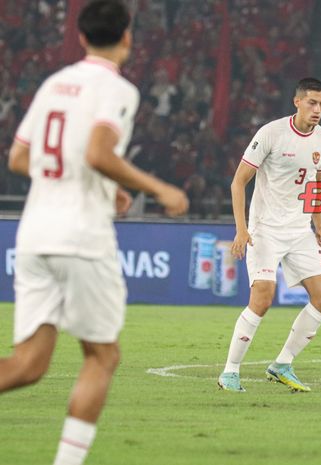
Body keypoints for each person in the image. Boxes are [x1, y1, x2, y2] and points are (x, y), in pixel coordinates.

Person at [0, 2, 189, 464]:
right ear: (127, 36)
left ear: (81, 38)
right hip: (81, 238)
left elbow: (19, 160)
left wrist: (102, 186)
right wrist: (157, 187)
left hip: (35, 234)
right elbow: (99, 153)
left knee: (27, 366)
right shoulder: (117, 89)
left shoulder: (52, 84)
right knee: (102, 357)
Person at [218, 77, 321, 393]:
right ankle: (230, 372)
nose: (317, 109)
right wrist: (242, 229)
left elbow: (315, 186)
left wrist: (319, 225)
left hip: (300, 231)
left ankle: (282, 363)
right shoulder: (271, 134)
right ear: (297, 102)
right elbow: (238, 182)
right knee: (263, 297)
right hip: (265, 231)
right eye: (312, 102)